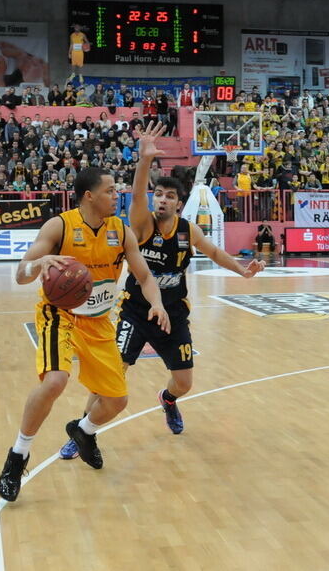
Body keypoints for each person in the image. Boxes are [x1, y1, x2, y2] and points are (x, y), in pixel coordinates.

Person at [58, 123, 264, 459]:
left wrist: (242, 270)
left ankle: (167, 401)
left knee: (184, 383)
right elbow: (137, 194)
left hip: (173, 314)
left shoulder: (188, 230)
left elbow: (213, 253)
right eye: (160, 194)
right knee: (110, 378)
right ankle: (82, 432)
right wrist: (144, 161)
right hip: (136, 312)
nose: (162, 200)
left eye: (169, 196)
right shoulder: (142, 223)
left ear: (179, 204)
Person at [0, 167, 170, 502]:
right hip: (59, 315)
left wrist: (157, 304)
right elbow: (20, 274)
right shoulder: (59, 225)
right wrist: (39, 263)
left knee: (118, 400)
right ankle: (17, 456)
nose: (115, 195)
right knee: (55, 381)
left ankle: (84, 431)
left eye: (116, 190)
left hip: (99, 321)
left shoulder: (121, 230)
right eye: (109, 190)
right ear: (89, 196)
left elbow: (145, 277)